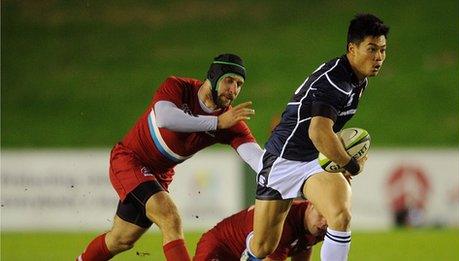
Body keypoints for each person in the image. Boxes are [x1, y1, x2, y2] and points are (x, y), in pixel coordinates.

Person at [76, 53, 263, 261]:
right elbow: (165, 118)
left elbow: (258, 160)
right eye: (229, 81)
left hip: (159, 175)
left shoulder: (230, 122)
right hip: (130, 159)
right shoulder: (178, 87)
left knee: (120, 240)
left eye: (239, 84)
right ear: (213, 77)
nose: (234, 90)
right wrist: (216, 123)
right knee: (170, 217)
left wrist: (290, 174)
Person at [242, 14, 389, 261]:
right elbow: (318, 132)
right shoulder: (335, 81)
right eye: (371, 49)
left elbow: (322, 135)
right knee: (263, 245)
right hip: (282, 160)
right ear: (352, 49)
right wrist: (350, 164)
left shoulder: (358, 80)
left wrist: (336, 160)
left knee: (340, 216)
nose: (378, 58)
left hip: (312, 161)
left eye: (383, 50)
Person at [194, 200, 327, 261]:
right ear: (310, 204)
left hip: (248, 254)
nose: (324, 223)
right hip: (220, 247)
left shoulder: (320, 226)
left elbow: (304, 247)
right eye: (321, 215)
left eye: (329, 220)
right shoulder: (283, 221)